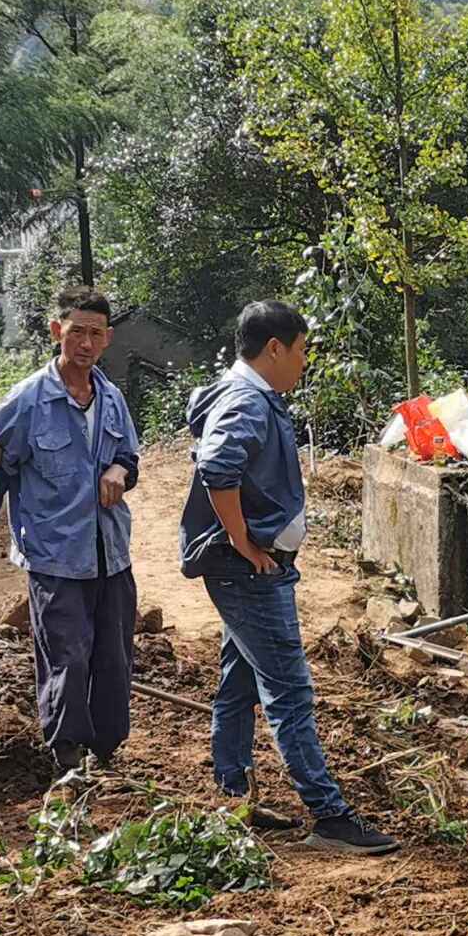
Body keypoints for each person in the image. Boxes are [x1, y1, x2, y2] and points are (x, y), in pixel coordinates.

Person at [178, 298, 397, 855]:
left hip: (246, 566)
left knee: (240, 679)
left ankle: (233, 794)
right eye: (300, 351)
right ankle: (329, 815)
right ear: (273, 348)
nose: (304, 362)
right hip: (248, 570)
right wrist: (241, 541)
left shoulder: (251, 395)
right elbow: (218, 468)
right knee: (289, 691)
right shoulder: (247, 401)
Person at [0, 283, 142, 777]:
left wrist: (121, 471)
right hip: (55, 556)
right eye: (76, 331)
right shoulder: (27, 402)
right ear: (57, 331)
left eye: (95, 334)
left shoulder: (113, 398)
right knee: (68, 658)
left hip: (110, 552)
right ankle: (68, 755)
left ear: (108, 339)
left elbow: (129, 458)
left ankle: (107, 751)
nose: (85, 343)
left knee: (114, 660)